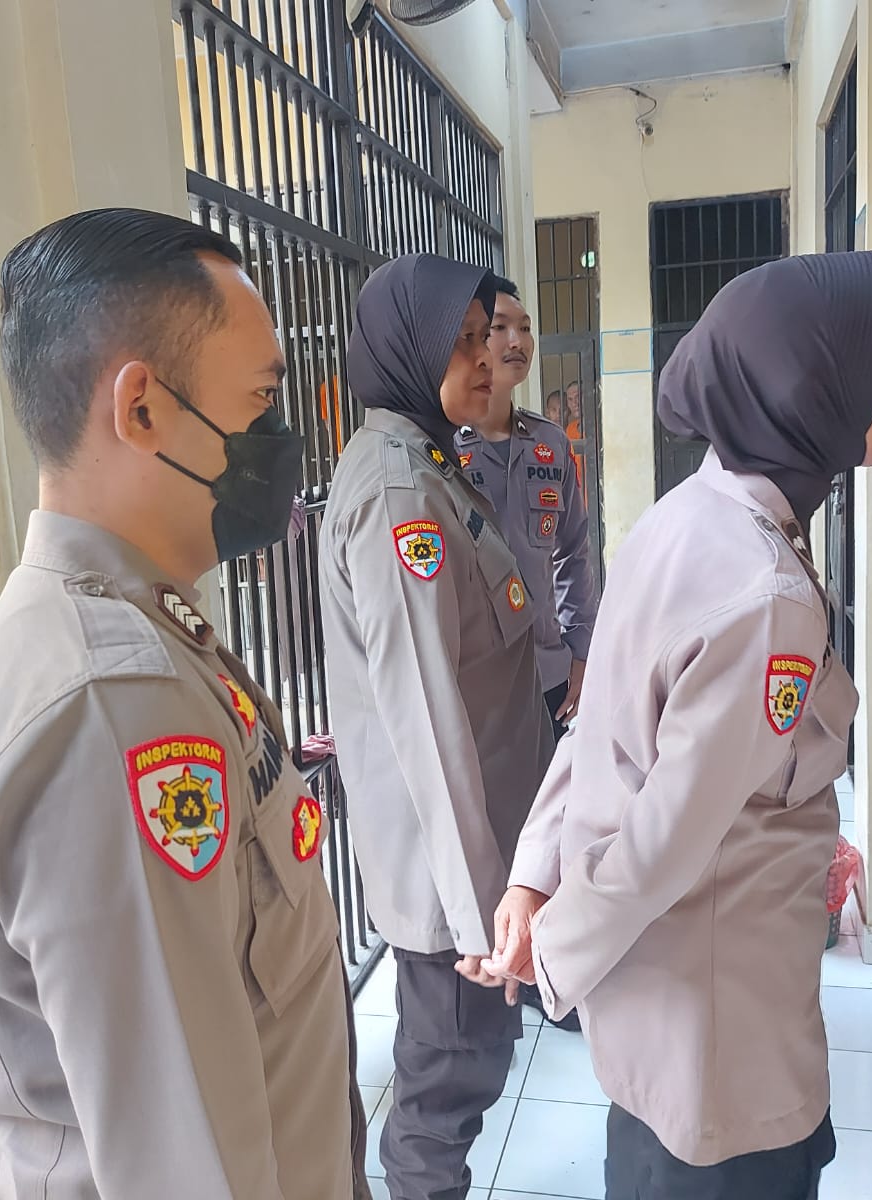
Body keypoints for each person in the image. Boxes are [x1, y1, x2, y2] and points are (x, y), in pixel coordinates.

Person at [0, 208, 369, 1199]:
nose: (281, 438)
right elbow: (185, 1167)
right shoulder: (112, 709)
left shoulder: (147, 631)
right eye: (260, 399)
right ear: (142, 411)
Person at [479, 250, 872, 1199]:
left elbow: (597, 723)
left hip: (668, 1029)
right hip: (724, 1048)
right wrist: (553, 949)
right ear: (811, 387)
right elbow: (667, 837)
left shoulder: (684, 516)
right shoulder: (765, 594)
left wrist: (535, 872)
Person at [319, 253, 555, 1200]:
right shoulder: (400, 496)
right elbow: (423, 713)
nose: (487, 361)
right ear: (411, 351)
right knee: (443, 1093)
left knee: (463, 1068)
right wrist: (479, 911)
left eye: (485, 337)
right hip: (454, 872)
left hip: (479, 853)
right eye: (462, 343)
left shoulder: (430, 464)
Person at [456, 276, 598, 743]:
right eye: (499, 327)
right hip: (474, 686)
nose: (517, 341)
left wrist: (581, 648)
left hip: (548, 674)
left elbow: (573, 551)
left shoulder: (549, 442)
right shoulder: (441, 450)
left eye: (525, 327)